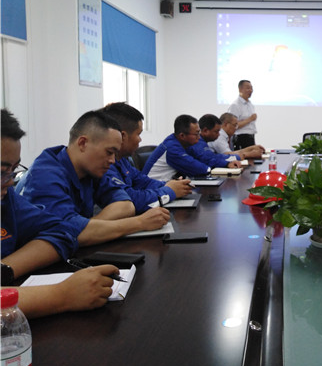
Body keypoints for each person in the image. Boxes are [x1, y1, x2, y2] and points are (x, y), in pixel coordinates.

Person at [1, 109, 119, 318]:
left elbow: (63, 230)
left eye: (14, 169)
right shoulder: (46, 172)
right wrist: (60, 295)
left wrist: (5, 270)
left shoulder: (6, 198)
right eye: (2, 172)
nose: (10, 182)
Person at [16, 110, 170, 246]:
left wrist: (87, 228)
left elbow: (126, 206)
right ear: (83, 143)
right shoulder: (45, 175)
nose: (113, 160)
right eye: (109, 152)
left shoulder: (91, 169)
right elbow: (66, 234)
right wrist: (139, 223)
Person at [100, 102, 192, 213]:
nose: (140, 140)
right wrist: (169, 190)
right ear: (123, 136)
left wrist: (173, 185)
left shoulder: (122, 160)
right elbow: (131, 200)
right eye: (138, 134)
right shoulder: (104, 164)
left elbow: (143, 182)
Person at [143, 115, 213, 181]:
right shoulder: (171, 148)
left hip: (166, 185)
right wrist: (210, 170)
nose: (199, 137)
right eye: (196, 134)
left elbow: (201, 158)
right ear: (182, 135)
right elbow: (193, 166)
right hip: (153, 187)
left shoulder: (184, 144)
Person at [228, 80, 257, 150]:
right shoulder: (235, 105)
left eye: (251, 88)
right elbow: (232, 125)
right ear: (240, 89)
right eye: (248, 88)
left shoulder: (250, 104)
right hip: (240, 137)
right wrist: (250, 119)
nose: (250, 90)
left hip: (251, 137)